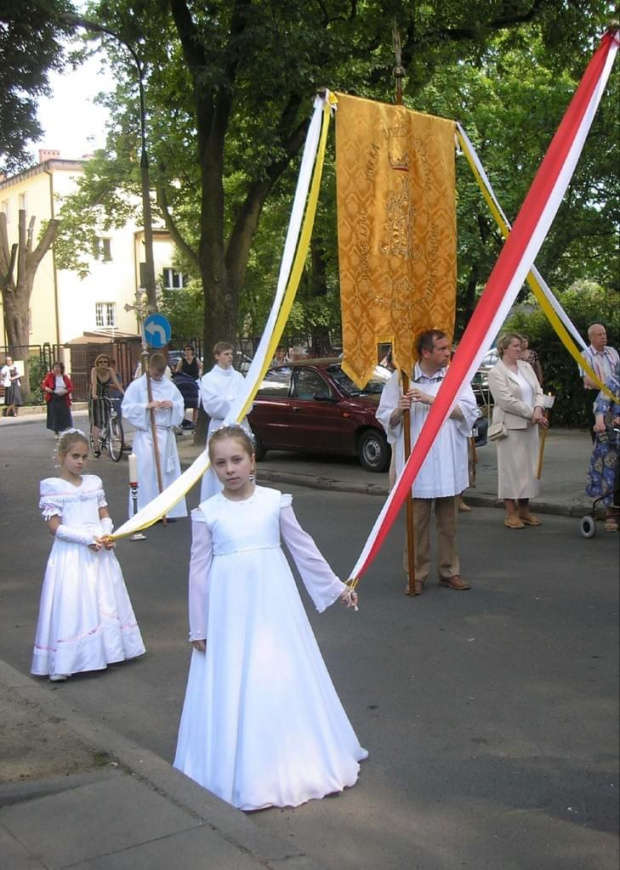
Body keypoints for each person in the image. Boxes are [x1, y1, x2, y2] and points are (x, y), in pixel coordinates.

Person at [173, 425, 366, 810]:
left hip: (274, 605)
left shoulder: (274, 501)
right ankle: (235, 764)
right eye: (220, 463)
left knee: (279, 671)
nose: (230, 469)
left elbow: (303, 547)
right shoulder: (207, 513)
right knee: (236, 677)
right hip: (229, 613)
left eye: (237, 460)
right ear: (212, 469)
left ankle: (295, 756)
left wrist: (336, 586)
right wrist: (199, 624)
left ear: (253, 461)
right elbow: (198, 571)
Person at [32, 429, 145, 682]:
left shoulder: (94, 483)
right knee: (75, 600)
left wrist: (107, 534)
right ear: (62, 456)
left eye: (84, 456)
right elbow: (55, 527)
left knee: (104, 598)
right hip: (72, 552)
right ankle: (70, 658)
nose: (81, 461)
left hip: (99, 549)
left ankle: (107, 650)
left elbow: (103, 513)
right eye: (75, 456)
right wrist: (85, 539)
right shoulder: (53, 488)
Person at [376, 329, 478, 595]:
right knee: (416, 524)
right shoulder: (401, 380)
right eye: (442, 349)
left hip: (447, 460)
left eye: (448, 348)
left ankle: (449, 571)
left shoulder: (456, 378)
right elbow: (385, 418)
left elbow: (468, 412)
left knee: (449, 524)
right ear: (426, 352)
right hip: (416, 466)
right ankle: (416, 573)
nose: (448, 353)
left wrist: (433, 400)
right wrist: (400, 409)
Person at [487, 332, 548, 529]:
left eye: (520, 345)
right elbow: (506, 401)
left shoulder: (525, 366)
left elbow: (538, 390)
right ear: (504, 347)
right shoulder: (496, 372)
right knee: (511, 470)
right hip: (510, 427)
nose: (519, 349)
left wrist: (538, 409)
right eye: (515, 346)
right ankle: (510, 513)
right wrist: (533, 413)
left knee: (528, 469)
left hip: (530, 425)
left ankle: (525, 510)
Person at [121, 353, 188, 520]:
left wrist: (172, 405)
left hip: (165, 435)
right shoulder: (138, 386)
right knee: (146, 473)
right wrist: (146, 406)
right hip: (147, 435)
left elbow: (180, 404)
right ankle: (146, 511)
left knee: (167, 473)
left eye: (160, 373)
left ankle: (168, 510)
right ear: (149, 368)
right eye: (155, 373)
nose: (158, 377)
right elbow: (127, 408)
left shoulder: (170, 386)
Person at [199, 341, 250, 501]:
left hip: (239, 426)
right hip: (219, 426)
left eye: (231, 354)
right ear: (217, 356)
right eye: (226, 354)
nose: (230, 357)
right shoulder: (208, 379)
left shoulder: (239, 377)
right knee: (220, 464)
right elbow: (212, 405)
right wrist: (235, 403)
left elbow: (247, 400)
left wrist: (232, 402)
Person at [586, 361, 620, 532]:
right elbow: (602, 403)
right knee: (610, 472)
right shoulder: (614, 381)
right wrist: (600, 421)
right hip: (613, 434)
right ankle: (610, 514)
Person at [579, 323, 619, 441]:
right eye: (599, 335)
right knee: (600, 430)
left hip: (616, 396)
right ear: (591, 338)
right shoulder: (585, 355)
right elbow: (587, 379)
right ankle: (601, 454)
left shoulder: (612, 351)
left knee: (616, 427)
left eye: (604, 334)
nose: (603, 337)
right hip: (595, 394)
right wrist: (606, 389)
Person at [89, 353, 125, 456]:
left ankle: (106, 433)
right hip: (96, 394)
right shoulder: (94, 370)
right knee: (96, 420)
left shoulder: (110, 371)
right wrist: (94, 395)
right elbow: (94, 384)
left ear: (108, 363)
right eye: (100, 362)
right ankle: (96, 445)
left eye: (105, 362)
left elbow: (117, 384)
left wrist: (124, 394)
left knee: (107, 414)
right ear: (97, 363)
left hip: (105, 393)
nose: (102, 364)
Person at [42, 361, 73, 435]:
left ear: (61, 368)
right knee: (55, 415)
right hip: (53, 397)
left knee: (65, 414)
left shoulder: (65, 377)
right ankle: (56, 431)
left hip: (63, 397)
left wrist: (65, 391)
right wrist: (47, 389)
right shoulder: (50, 376)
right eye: (55, 367)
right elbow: (43, 385)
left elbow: (71, 387)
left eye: (58, 367)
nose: (56, 369)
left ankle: (66, 430)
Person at [176, 345, 203, 426]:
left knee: (196, 401)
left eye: (188, 350)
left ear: (192, 351)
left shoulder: (196, 360)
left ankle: (194, 421)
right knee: (184, 401)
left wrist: (200, 375)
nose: (187, 351)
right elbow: (178, 371)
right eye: (185, 350)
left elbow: (202, 367)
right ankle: (183, 420)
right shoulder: (182, 361)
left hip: (195, 381)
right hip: (185, 382)